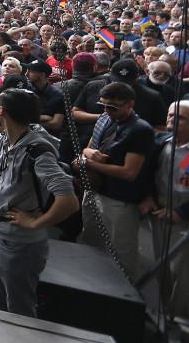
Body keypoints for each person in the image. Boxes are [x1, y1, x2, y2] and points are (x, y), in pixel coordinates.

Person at [0, 88, 79, 317]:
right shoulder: (3, 140)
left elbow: (69, 201)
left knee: (19, 308)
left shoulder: (38, 151)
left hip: (19, 244)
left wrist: (34, 223)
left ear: (2, 111)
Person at [76, 81, 155, 279]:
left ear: (130, 104)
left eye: (113, 107)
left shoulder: (140, 130)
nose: (107, 111)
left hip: (120, 199)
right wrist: (89, 154)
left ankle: (127, 293)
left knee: (122, 252)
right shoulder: (104, 118)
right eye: (103, 106)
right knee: (90, 241)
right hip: (94, 190)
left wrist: (88, 163)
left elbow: (129, 172)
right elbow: (89, 146)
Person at [140, 101, 189, 320]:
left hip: (183, 214)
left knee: (183, 273)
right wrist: (149, 196)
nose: (172, 120)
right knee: (162, 266)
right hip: (160, 210)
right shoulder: (161, 141)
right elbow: (149, 172)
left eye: (180, 118)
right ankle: (166, 311)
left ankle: (178, 318)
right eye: (170, 115)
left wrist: (182, 212)